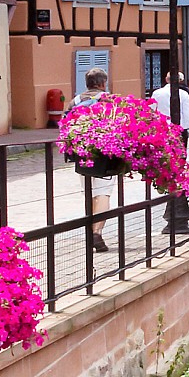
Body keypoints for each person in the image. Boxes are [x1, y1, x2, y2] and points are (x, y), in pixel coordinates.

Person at [70, 67, 113, 252]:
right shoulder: (108, 100)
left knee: (88, 192)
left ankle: (91, 231)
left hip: (82, 152)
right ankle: (96, 232)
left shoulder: (76, 101)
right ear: (103, 83)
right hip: (104, 152)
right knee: (103, 192)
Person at [151, 69, 189, 235]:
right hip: (179, 133)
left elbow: (151, 113)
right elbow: (188, 118)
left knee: (168, 168)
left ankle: (173, 205)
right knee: (179, 168)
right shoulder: (183, 94)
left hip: (162, 133)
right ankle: (177, 211)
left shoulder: (157, 93)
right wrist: (187, 136)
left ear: (166, 79)